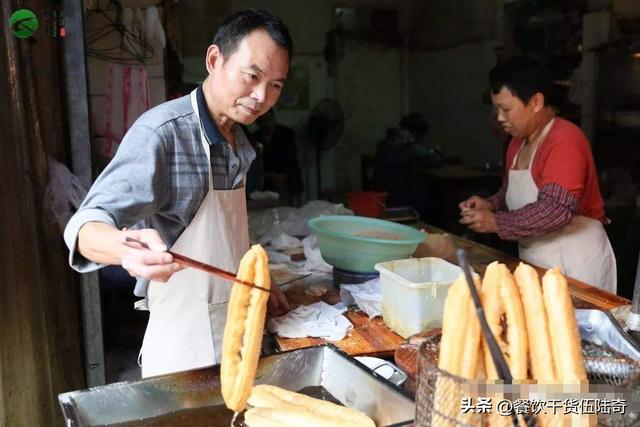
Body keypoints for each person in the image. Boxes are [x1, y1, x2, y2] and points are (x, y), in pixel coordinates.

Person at [64, 9, 292, 378]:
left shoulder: (240, 143)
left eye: (276, 85)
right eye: (252, 76)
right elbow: (84, 226)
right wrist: (127, 250)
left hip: (237, 337)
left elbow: (225, 237)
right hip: (185, 351)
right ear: (214, 59)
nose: (262, 96)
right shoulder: (163, 134)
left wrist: (260, 278)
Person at [459, 56, 616, 293]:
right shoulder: (517, 143)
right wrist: (490, 204)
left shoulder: (564, 141)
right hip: (538, 261)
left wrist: (496, 222)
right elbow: (511, 191)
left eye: (506, 109)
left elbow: (554, 210)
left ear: (536, 102)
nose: (500, 117)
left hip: (576, 265)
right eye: (497, 109)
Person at [372, 113, 433, 209]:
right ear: (417, 132)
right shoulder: (406, 141)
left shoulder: (387, 140)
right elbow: (432, 159)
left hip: (382, 191)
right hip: (397, 195)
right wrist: (437, 151)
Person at [252, 109, 304, 205]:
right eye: (261, 121)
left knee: (286, 207)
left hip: (285, 179)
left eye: (267, 120)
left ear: (273, 118)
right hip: (265, 181)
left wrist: (281, 175)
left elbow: (291, 158)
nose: (265, 123)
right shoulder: (255, 136)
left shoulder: (287, 133)